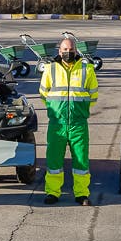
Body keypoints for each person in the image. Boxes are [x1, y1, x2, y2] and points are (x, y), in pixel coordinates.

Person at [39, 36, 99, 206]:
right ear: (59, 51)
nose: (68, 52)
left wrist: (80, 111)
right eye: (65, 50)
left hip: (78, 123)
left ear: (76, 50)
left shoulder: (87, 69)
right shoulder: (50, 69)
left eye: (71, 50)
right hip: (57, 123)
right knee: (54, 160)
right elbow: (44, 94)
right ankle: (52, 192)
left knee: (81, 160)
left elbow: (93, 95)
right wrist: (56, 111)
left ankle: (81, 194)